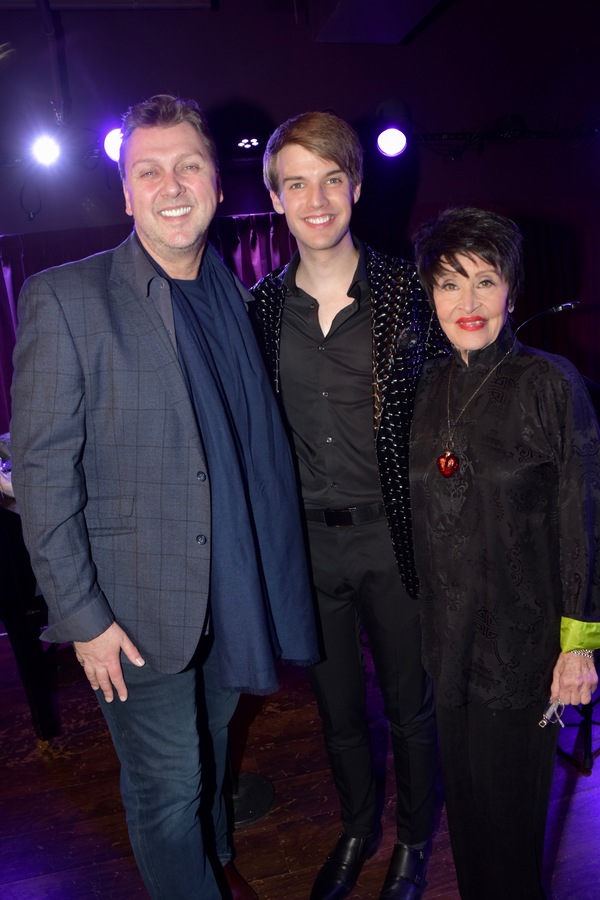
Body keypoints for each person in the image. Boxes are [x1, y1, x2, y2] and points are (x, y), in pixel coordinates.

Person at [10, 94, 318, 900]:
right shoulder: (67, 298)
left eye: (188, 166)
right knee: (168, 788)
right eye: (149, 170)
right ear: (125, 192)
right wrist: (83, 620)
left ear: (219, 187)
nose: (171, 184)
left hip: (224, 595)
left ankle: (213, 865)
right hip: (130, 612)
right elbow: (43, 476)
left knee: (210, 754)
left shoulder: (230, 296)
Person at [249, 111, 448, 900]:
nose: (317, 198)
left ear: (357, 186)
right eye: (296, 183)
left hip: (396, 541)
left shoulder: (410, 292)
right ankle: (358, 825)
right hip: (307, 549)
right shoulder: (258, 309)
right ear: (275, 199)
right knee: (335, 712)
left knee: (410, 705)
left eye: (332, 178)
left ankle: (413, 841)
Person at [410, 207, 600, 899]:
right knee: (468, 827)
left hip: (524, 655)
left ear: (511, 292)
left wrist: (578, 646)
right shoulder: (424, 389)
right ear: (430, 293)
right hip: (448, 650)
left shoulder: (550, 384)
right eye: (450, 283)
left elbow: (584, 519)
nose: (468, 302)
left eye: (484, 282)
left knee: (514, 832)